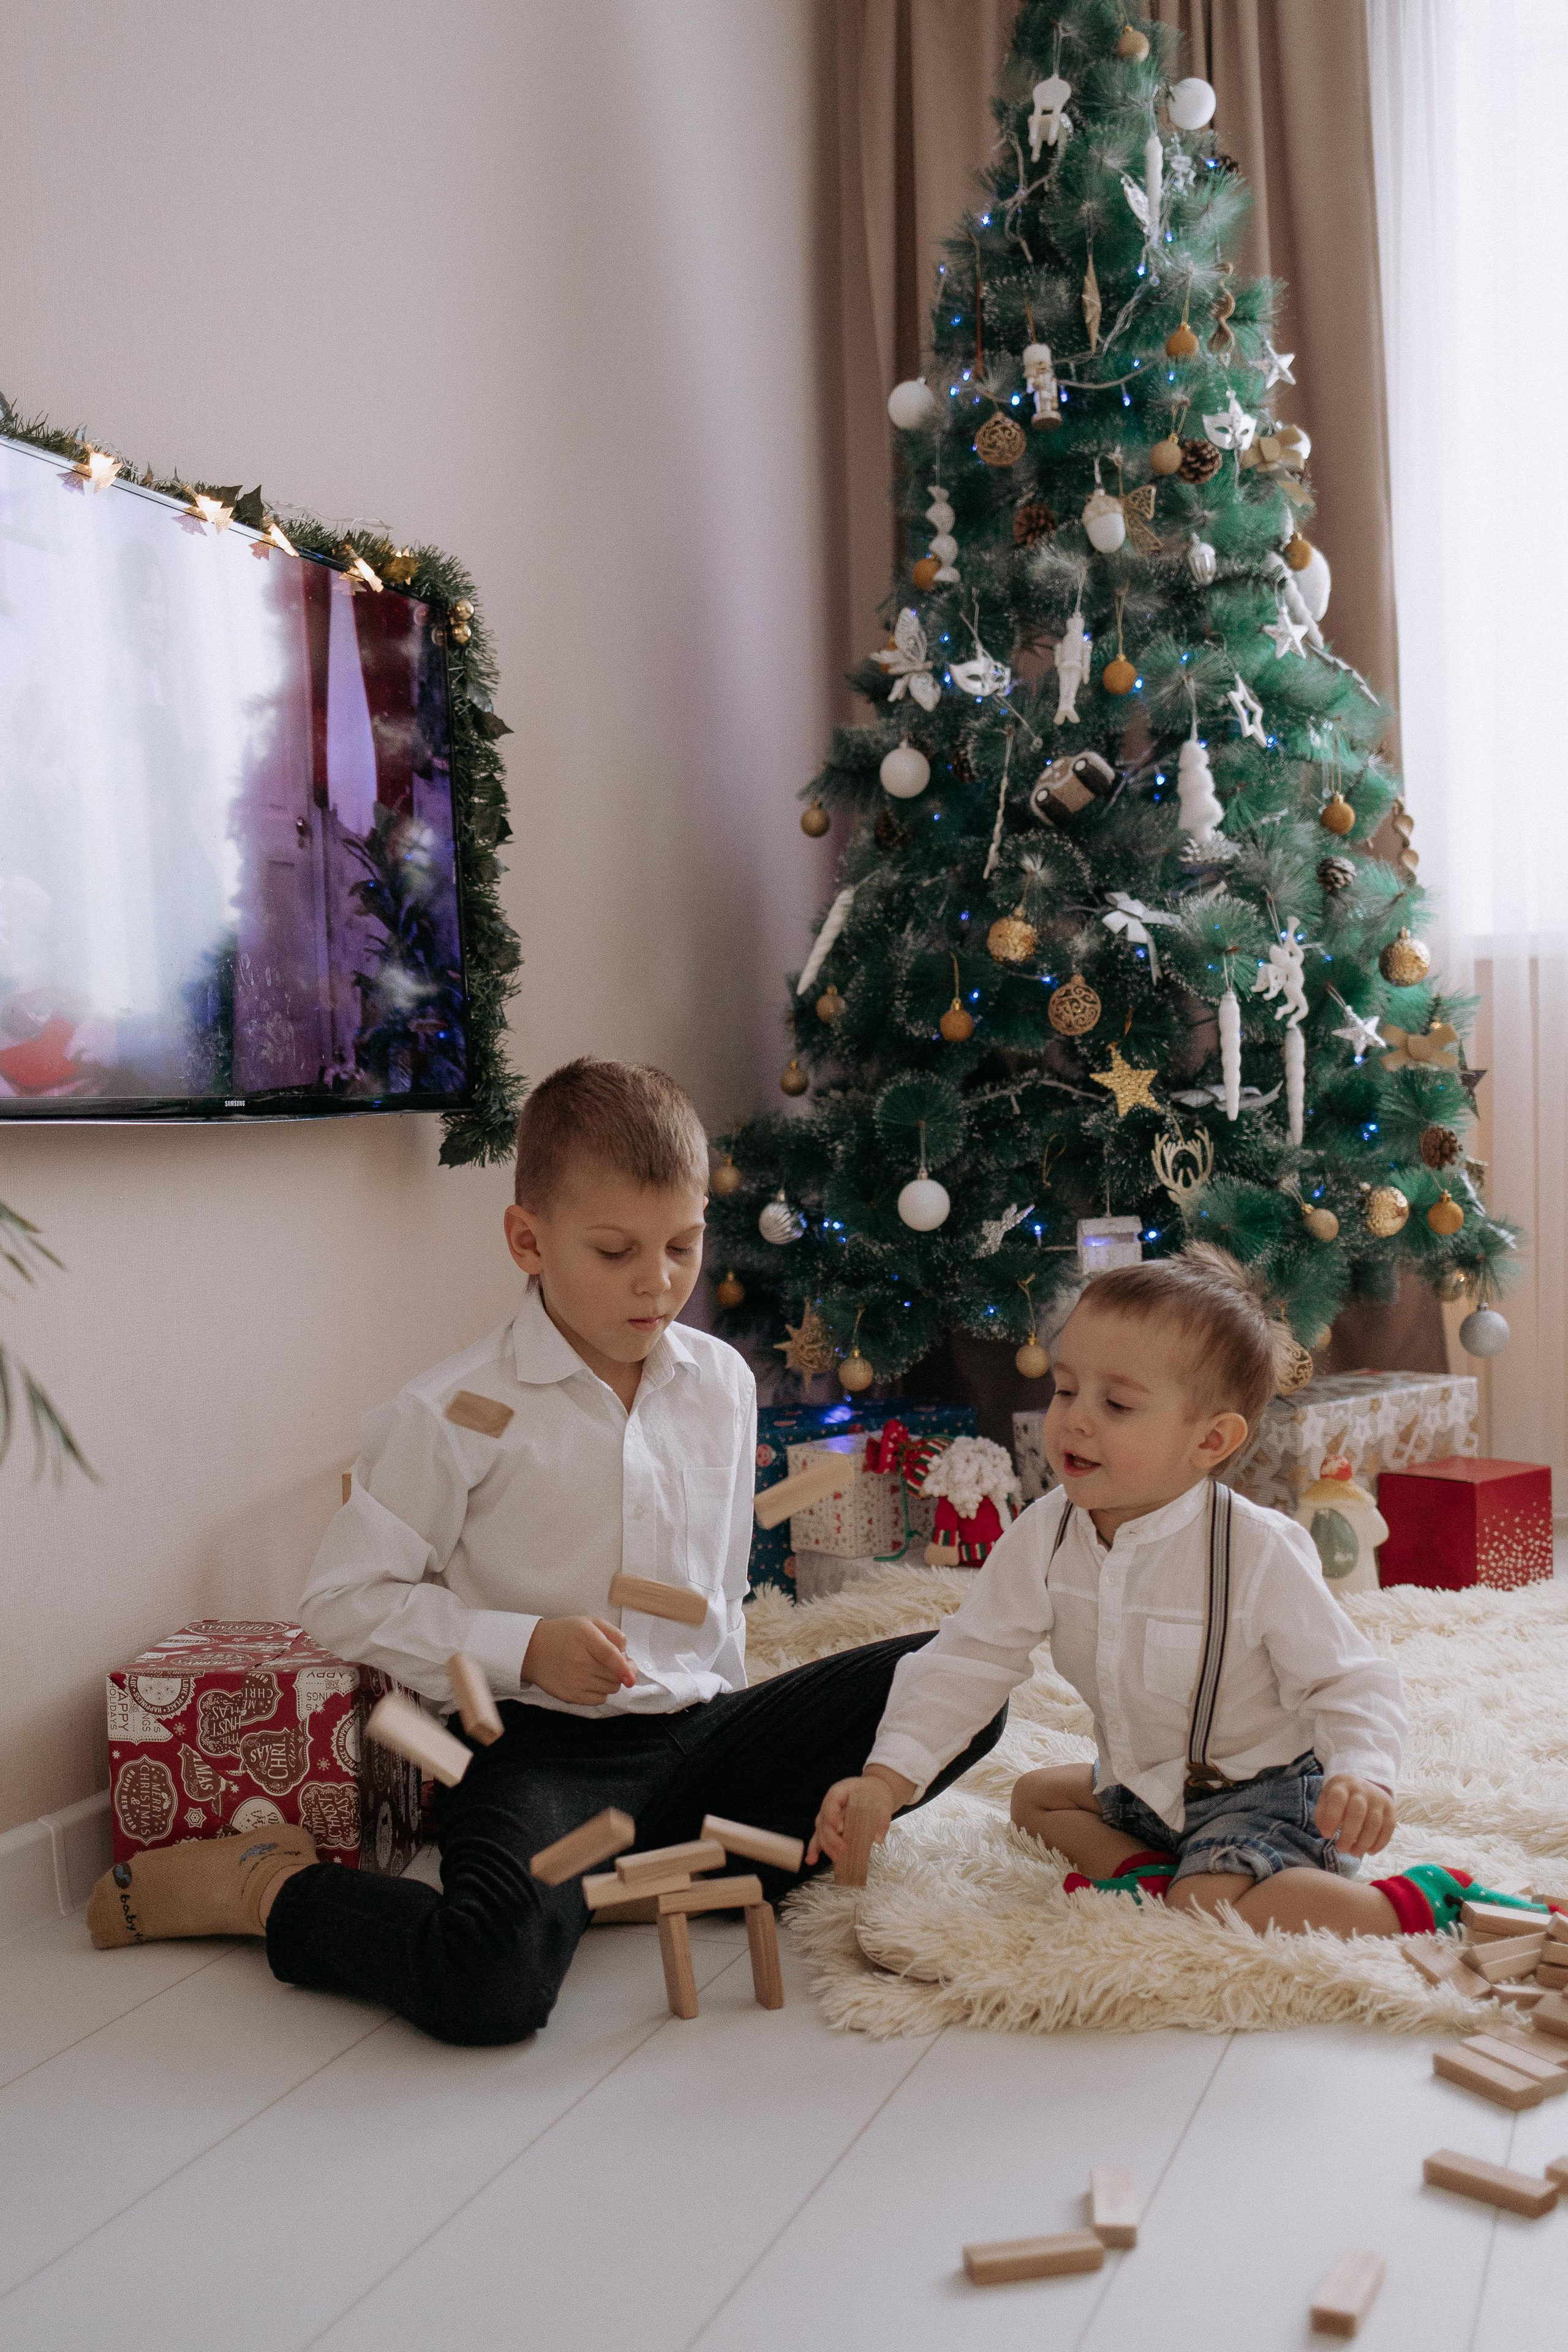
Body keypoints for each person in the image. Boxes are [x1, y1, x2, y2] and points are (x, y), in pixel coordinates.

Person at [87, 1057, 1006, 2041]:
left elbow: (724, 1589)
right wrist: (522, 1647)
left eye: (684, 1245)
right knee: (489, 1982)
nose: (658, 1283)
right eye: (615, 1252)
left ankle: (637, 1873)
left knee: (958, 1682)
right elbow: (344, 1597)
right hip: (547, 1756)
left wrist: (752, 1723)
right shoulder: (451, 1411)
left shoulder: (722, 1385)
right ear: (529, 1240)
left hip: (703, 1729)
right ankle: (270, 1887)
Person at [810, 1246, 1528, 1943]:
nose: (1076, 1418)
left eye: (1117, 1403)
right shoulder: (1045, 1533)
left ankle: (1424, 1902)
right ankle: (1149, 1873)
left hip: (1267, 1792)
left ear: (1211, 1439)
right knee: (1032, 1799)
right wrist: (887, 1779)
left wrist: (1362, 1776)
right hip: (1147, 1786)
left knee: (1206, 1908)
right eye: (1065, 1389)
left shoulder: (1254, 1548)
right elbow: (968, 1659)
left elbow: (1350, 1681)